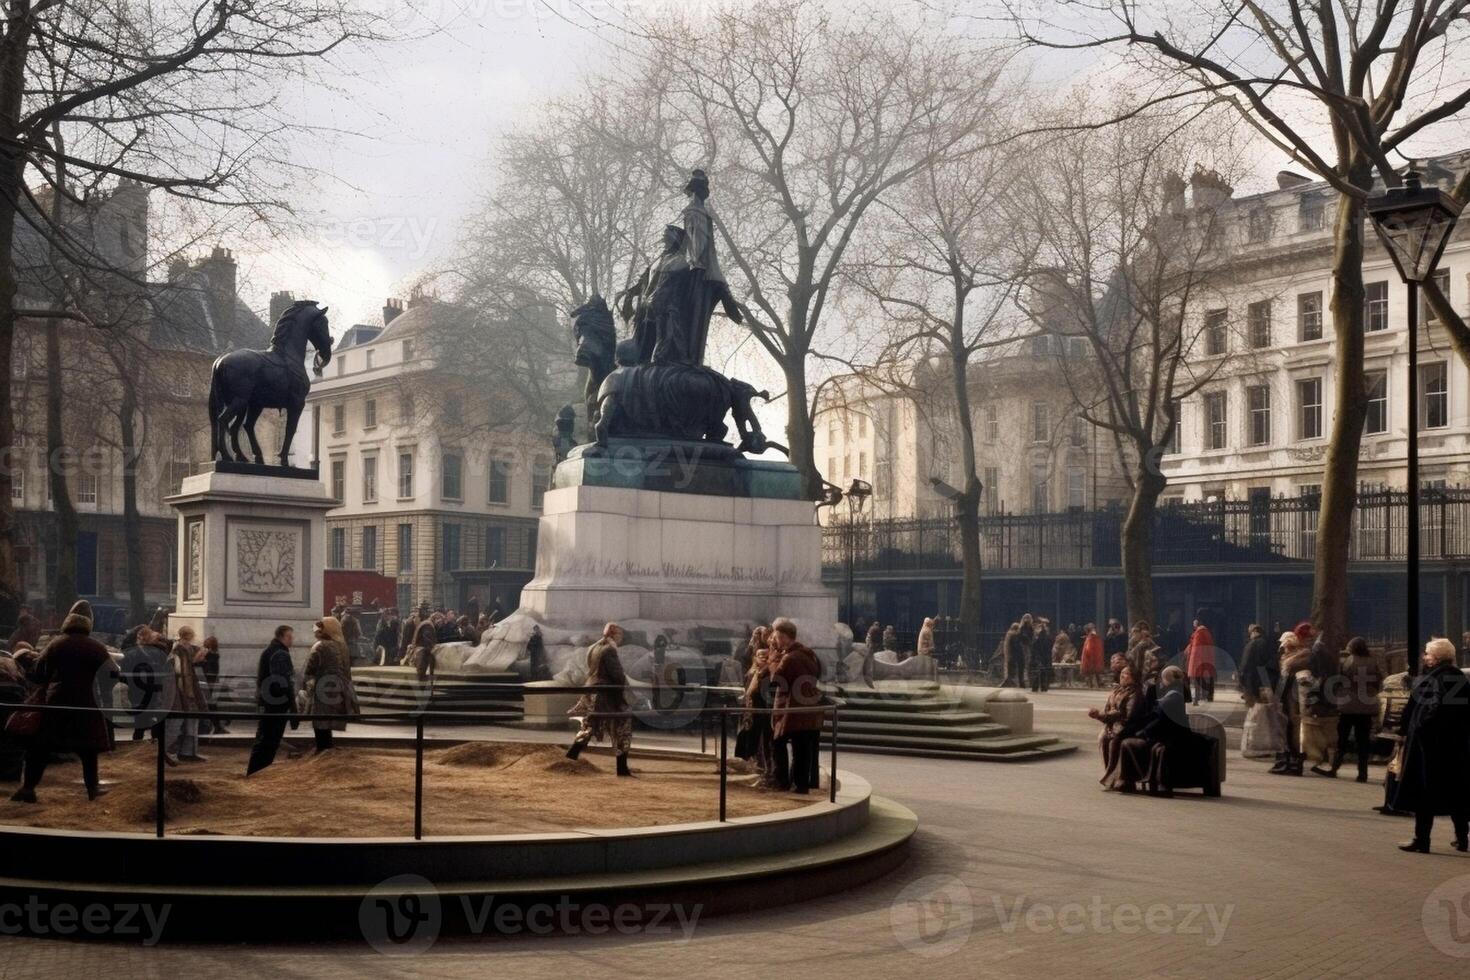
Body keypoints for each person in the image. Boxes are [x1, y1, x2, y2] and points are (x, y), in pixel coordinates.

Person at [8, 602, 112, 803]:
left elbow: (38, 674)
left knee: (40, 748)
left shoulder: (57, 643)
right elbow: (113, 673)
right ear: (88, 625)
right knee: (88, 750)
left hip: (57, 701)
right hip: (86, 703)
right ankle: (92, 789)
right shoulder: (97, 647)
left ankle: (28, 789)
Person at [1392, 638, 1470, 853]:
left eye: (1427, 653)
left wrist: (1419, 728)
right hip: (1456, 745)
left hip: (1430, 746)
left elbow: (1433, 709)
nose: (1424, 656)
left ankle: (1422, 839)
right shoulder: (1458, 678)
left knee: (1423, 792)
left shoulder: (1434, 679)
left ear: (1435, 658)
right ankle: (1462, 838)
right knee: (1457, 792)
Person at [565, 623, 633, 776]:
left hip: (592, 690)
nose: (621, 639)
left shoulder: (594, 647)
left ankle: (570, 757)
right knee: (622, 726)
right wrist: (624, 692)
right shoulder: (609, 650)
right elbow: (617, 675)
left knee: (589, 726)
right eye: (619, 635)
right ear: (614, 635)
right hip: (605, 694)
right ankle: (622, 769)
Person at [769, 617, 823, 794]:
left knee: (780, 743)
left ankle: (785, 782)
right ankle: (801, 783)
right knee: (802, 748)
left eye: (777, 636)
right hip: (808, 707)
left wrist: (773, 661)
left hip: (793, 709)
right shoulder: (809, 654)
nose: (775, 640)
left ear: (784, 637)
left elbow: (776, 680)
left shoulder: (790, 658)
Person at [1322, 636, 1381, 782]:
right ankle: (1363, 773)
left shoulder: (1347, 661)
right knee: (1363, 741)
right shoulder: (1373, 662)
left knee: (1342, 739)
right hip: (1366, 707)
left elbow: (1339, 681)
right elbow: (1378, 681)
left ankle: (1335, 768)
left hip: (1348, 705)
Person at [246, 626, 300, 775]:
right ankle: (258, 771)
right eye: (290, 636)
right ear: (282, 637)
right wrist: (292, 706)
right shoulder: (280, 654)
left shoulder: (270, 651)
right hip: (275, 703)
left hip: (268, 700)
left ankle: (255, 770)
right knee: (270, 739)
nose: (292, 639)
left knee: (264, 737)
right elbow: (283, 683)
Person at [303, 616, 357, 752]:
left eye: (319, 628)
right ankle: (327, 748)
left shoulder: (320, 645)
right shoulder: (341, 645)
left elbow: (310, 668)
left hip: (323, 686)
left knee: (320, 720)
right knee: (327, 720)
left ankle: (322, 750)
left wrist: (306, 683)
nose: (316, 630)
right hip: (338, 687)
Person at [1091, 663, 1145, 791]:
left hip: (1129, 726)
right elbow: (1108, 709)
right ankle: (1111, 777)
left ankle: (1120, 779)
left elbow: (1129, 716)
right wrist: (1103, 718)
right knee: (1103, 738)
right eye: (1122, 673)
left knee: (1114, 741)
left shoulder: (1135, 694)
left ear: (1133, 677)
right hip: (1114, 724)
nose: (1122, 676)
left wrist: (1107, 718)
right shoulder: (1117, 691)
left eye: (1126, 674)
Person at [737, 626, 776, 787]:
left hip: (763, 709)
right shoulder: (754, 663)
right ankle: (755, 766)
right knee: (753, 738)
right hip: (753, 708)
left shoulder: (768, 664)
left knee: (764, 742)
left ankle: (766, 770)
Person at [165, 626, 209, 765]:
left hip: (188, 687)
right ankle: (169, 752)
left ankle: (188, 752)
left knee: (191, 720)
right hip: (180, 688)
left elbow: (193, 661)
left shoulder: (186, 648)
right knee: (177, 722)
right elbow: (179, 669)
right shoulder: (179, 650)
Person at [1271, 627, 1312, 776]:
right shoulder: (1295, 660)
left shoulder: (1293, 663)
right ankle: (1291, 763)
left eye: (1285, 647)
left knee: (1293, 735)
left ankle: (1293, 764)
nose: (1283, 650)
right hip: (1293, 703)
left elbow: (1286, 685)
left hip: (1293, 705)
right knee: (1291, 734)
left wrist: (1278, 698)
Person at [1185, 612, 1216, 704]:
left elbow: (1196, 649)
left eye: (1194, 625)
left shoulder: (1199, 633)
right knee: (1205, 678)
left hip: (1198, 660)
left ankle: (1197, 698)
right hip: (1206, 658)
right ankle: (1206, 696)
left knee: (1197, 678)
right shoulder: (1206, 632)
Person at [199, 635, 227, 734]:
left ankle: (215, 726)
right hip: (210, 681)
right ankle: (217, 726)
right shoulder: (214, 654)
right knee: (211, 704)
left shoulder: (209, 654)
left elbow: (203, 665)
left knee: (210, 705)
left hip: (207, 681)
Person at [407, 621, 437, 686]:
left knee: (422, 675)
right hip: (425, 655)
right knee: (423, 675)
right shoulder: (428, 625)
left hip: (423, 655)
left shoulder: (423, 625)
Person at [1030, 618, 1053, 693]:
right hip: (1043, 655)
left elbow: (1034, 646)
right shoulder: (1045, 635)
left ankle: (1036, 687)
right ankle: (1043, 687)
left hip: (1040, 655)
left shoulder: (1038, 635)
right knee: (1042, 671)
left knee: (1038, 671)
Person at [1080, 623, 1105, 689]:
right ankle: (1098, 684)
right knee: (1096, 672)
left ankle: (1091, 685)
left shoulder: (1091, 638)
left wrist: (1087, 656)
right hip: (1097, 657)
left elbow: (1088, 648)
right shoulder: (1096, 637)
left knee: (1090, 673)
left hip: (1090, 658)